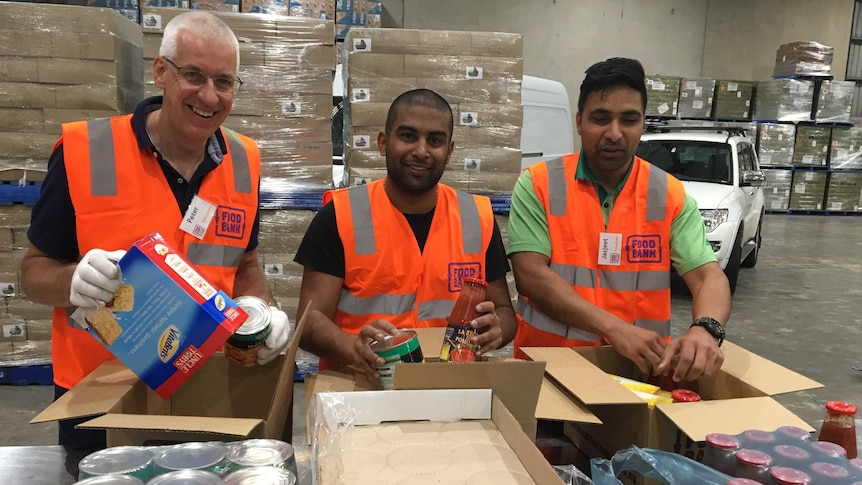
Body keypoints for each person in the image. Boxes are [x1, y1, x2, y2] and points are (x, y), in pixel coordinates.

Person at [20, 11, 290, 449]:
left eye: (224, 81)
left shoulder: (244, 161)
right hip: (101, 396)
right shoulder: (84, 152)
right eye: (193, 75)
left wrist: (261, 309)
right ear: (161, 71)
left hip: (207, 387)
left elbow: (246, 263)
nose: (209, 95)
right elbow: (32, 273)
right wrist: (73, 282)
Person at [508, 57, 731, 384]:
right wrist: (614, 329)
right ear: (579, 121)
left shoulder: (668, 195)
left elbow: (707, 275)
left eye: (629, 119)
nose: (614, 133)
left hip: (637, 379)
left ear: (643, 123)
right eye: (601, 118)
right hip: (548, 374)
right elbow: (531, 275)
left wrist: (706, 329)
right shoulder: (539, 185)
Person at [294, 89, 517, 377]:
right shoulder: (340, 216)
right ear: (384, 143)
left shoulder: (478, 217)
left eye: (434, 141)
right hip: (362, 389)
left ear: (449, 151)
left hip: (448, 387)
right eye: (408, 136)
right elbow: (309, 322)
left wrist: (497, 330)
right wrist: (353, 348)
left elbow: (505, 313)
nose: (421, 151)